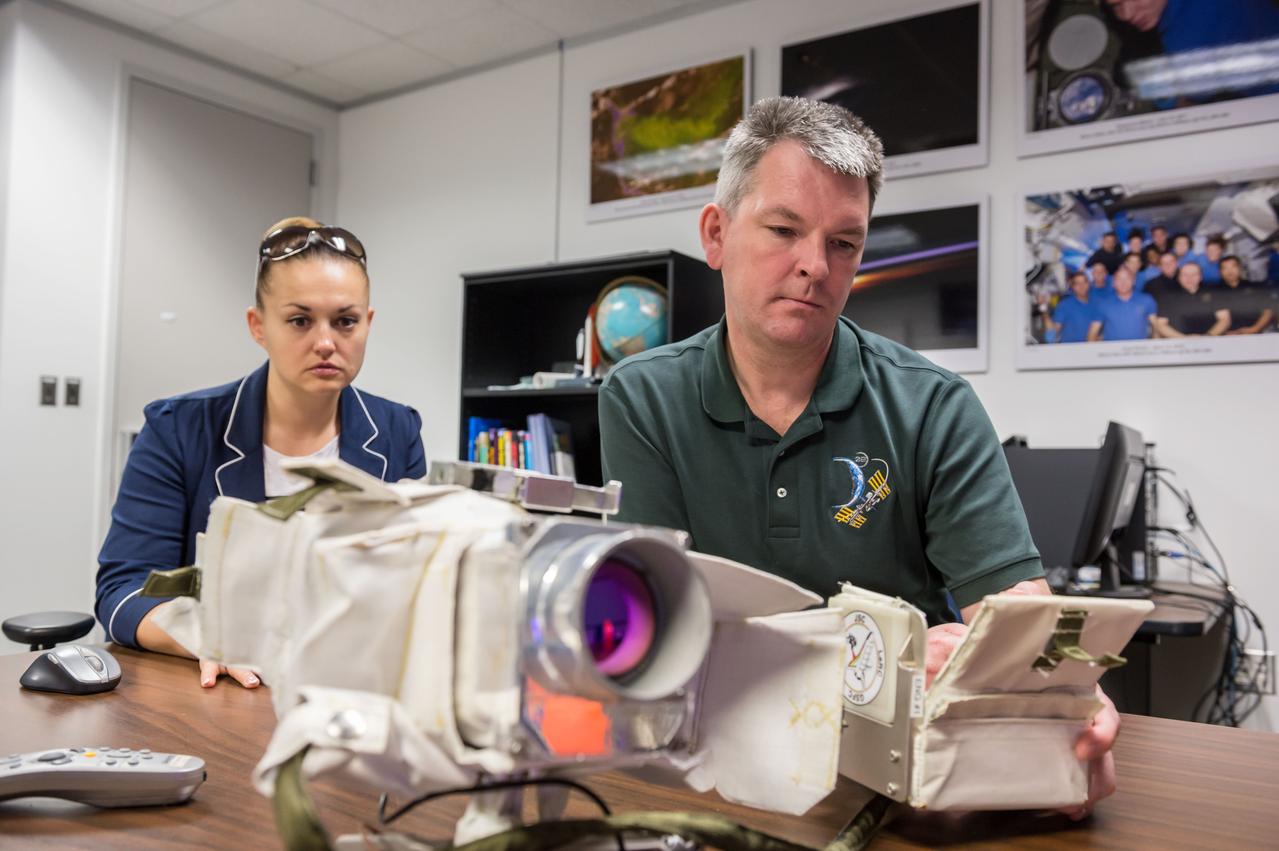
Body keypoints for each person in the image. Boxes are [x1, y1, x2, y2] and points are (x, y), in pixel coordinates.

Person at [599, 96, 1118, 818]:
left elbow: (1016, 613)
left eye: (843, 243)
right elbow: (653, 636)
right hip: (715, 771)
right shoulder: (639, 397)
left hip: (888, 784)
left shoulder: (934, 404)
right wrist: (858, 663)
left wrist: (1065, 693)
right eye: (783, 229)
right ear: (715, 234)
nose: (814, 264)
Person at [95, 217, 426, 688]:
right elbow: (122, 591)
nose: (327, 342)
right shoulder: (178, 428)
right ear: (258, 326)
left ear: (367, 324)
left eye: (345, 321)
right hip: (217, 695)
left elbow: (409, 587)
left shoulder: (397, 432)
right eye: (299, 320)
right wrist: (208, 635)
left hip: (342, 691)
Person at [1152, 261, 1231, 337]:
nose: (1189, 278)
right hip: (1178, 345)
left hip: (1211, 342)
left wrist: (1207, 337)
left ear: (1200, 277)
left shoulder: (1214, 294)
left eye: (1194, 274)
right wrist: (1184, 339)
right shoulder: (1168, 297)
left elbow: (1224, 319)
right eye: (1185, 275)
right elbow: (1161, 324)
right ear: (1179, 277)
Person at [1094, 265, 1158, 340]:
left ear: (1133, 281)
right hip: (1111, 350)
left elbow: (1155, 326)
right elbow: (1093, 332)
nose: (1123, 282)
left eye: (1127, 278)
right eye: (1119, 279)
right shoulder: (1103, 303)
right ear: (1113, 283)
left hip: (1139, 349)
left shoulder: (1147, 300)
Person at [1220, 255, 1276, 334]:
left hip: (1254, 335)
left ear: (1240, 268)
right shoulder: (1215, 291)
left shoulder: (1255, 287)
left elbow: (1268, 311)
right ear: (1220, 272)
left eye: (1233, 267)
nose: (1230, 271)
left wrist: (1254, 329)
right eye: (1225, 268)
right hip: (1224, 337)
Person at [1051, 272, 1105, 343]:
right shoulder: (1065, 304)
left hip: (1092, 349)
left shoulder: (1097, 303)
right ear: (1073, 287)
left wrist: (1101, 338)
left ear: (1088, 284)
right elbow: (1054, 331)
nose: (1081, 286)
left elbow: (1106, 327)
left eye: (1084, 282)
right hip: (1071, 350)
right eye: (1077, 283)